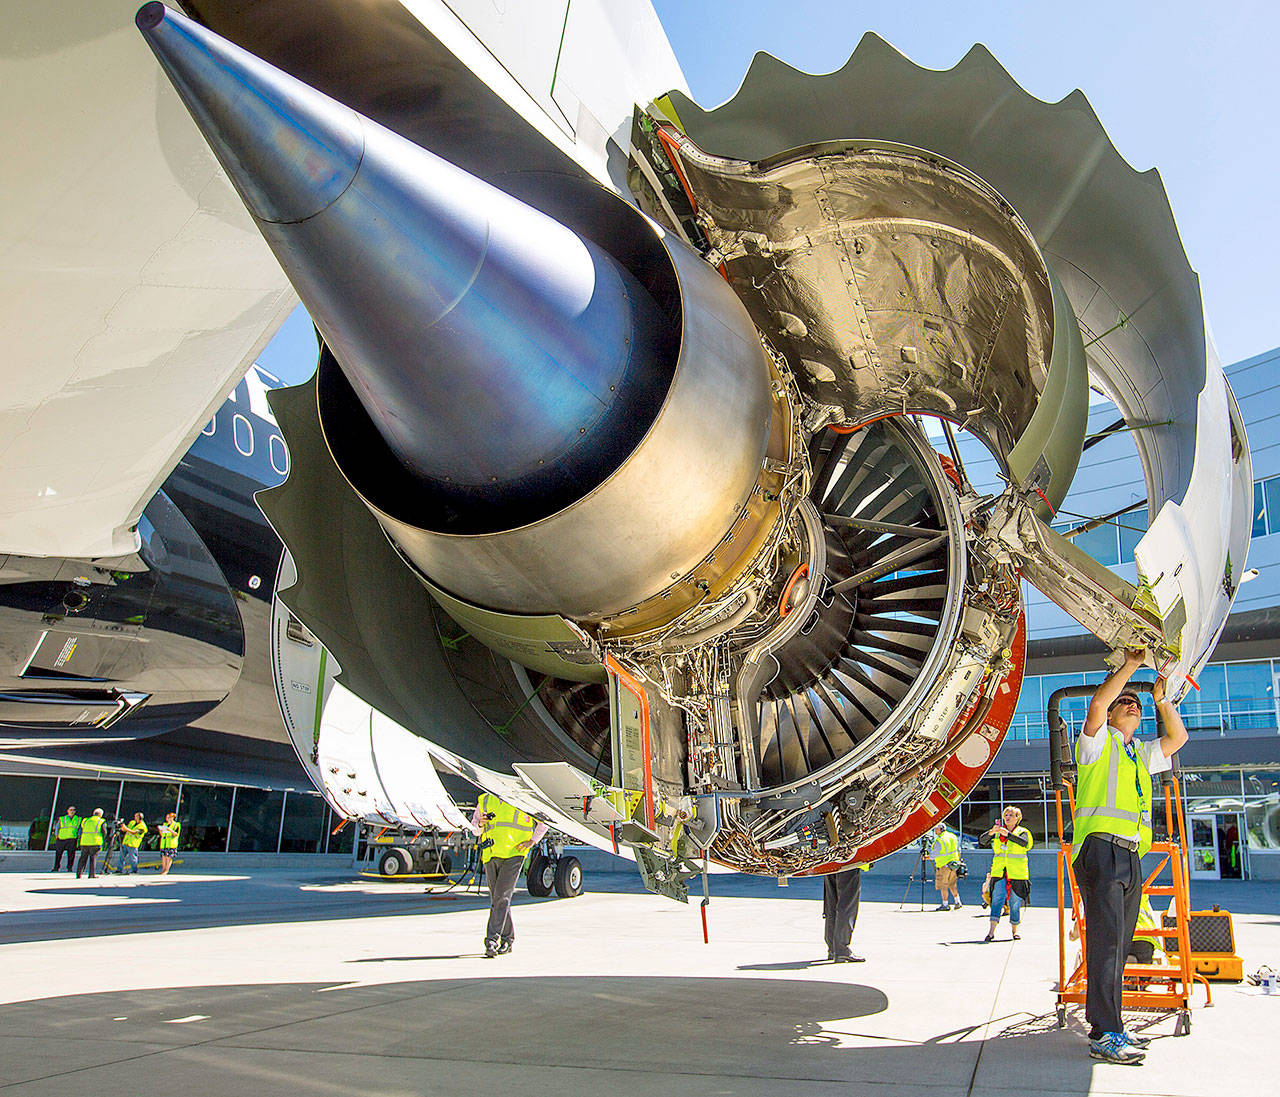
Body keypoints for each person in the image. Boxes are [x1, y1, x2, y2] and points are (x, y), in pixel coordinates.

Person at [1074, 650, 1187, 1066]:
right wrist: (1133, 664)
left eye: (1135, 704)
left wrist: (1161, 700)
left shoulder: (1140, 753)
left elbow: (1178, 740)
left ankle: (1110, 1027)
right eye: (1127, 701)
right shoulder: (1095, 743)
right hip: (1100, 849)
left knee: (1118, 946)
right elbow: (1099, 704)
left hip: (1130, 856)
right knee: (1106, 944)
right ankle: (1105, 1032)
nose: (1131, 705)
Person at [471, 792, 546, 957]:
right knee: (498, 899)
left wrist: (533, 841)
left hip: (514, 854)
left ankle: (491, 940)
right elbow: (475, 830)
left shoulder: (522, 797)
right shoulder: (484, 799)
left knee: (501, 897)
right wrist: (481, 825)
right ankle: (508, 939)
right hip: (490, 853)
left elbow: (544, 821)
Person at [979, 806, 1033, 941]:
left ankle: (1015, 930)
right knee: (997, 899)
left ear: (1017, 818)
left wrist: (1008, 835)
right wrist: (991, 832)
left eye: (1010, 815)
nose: (1007, 817)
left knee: (1014, 902)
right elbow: (982, 840)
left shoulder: (1023, 831)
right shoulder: (998, 832)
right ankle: (991, 932)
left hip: (1017, 873)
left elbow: (1025, 843)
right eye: (1006, 815)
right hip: (1000, 872)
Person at [823, 862, 868, 962]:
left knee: (832, 903)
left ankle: (833, 949)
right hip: (849, 860)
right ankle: (842, 949)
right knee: (847, 904)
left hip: (830, 860)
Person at [925, 822, 963, 910]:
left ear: (940, 829)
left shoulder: (940, 840)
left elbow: (933, 855)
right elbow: (959, 850)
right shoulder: (952, 836)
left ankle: (945, 904)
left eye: (936, 829)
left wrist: (926, 857)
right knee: (952, 884)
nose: (935, 831)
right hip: (953, 865)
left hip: (943, 866)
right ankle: (957, 902)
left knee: (943, 886)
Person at [75, 808, 105, 879]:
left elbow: (81, 829)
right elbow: (104, 832)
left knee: (82, 858)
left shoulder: (85, 820)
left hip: (84, 842)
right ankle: (91, 874)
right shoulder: (101, 821)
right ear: (100, 814)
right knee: (93, 859)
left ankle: (79, 874)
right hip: (95, 842)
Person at [51, 806, 81, 872]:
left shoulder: (78, 819)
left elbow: (79, 828)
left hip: (72, 838)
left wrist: (78, 836)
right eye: (71, 810)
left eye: (73, 810)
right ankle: (56, 867)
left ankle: (69, 868)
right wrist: (56, 835)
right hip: (62, 838)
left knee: (71, 855)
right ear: (68, 811)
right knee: (58, 854)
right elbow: (57, 827)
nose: (72, 811)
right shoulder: (62, 818)